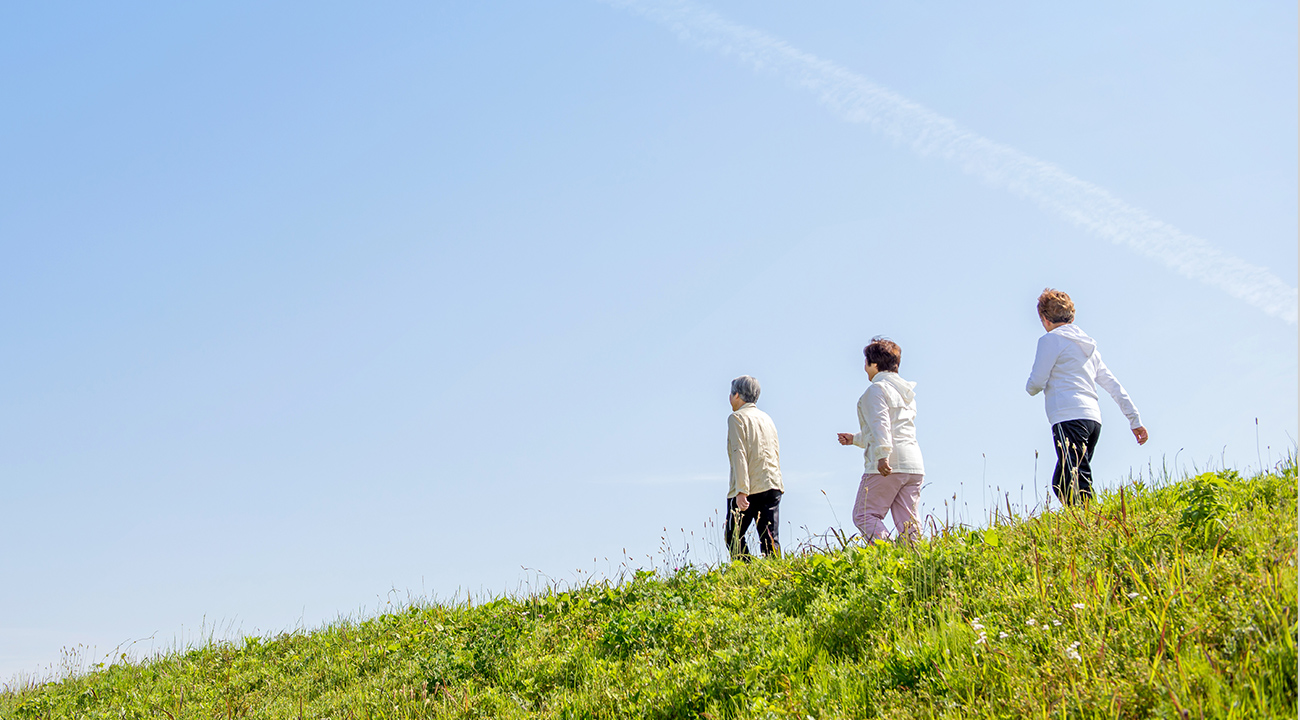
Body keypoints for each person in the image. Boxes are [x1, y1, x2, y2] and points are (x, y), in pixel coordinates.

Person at [1026, 288, 1148, 505]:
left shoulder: (1050, 340)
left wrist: (1030, 388)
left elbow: (1036, 382)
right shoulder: (1089, 347)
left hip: (1067, 417)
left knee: (1076, 479)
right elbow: (1113, 385)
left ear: (1044, 319)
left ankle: (1093, 522)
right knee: (1062, 483)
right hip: (1093, 420)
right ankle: (1078, 523)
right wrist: (1134, 420)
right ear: (1072, 317)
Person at [837, 338, 925, 544]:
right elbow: (894, 428)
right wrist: (855, 440)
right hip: (913, 464)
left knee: (864, 515)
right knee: (908, 522)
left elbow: (881, 425)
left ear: (874, 364)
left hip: (888, 464)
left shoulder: (876, 390)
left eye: (866, 362)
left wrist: (882, 455)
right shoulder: (907, 394)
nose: (865, 368)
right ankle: (916, 561)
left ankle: (887, 554)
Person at [725, 375, 784, 559]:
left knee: (732, 536)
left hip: (749, 486)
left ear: (736, 395)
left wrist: (742, 491)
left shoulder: (737, 418)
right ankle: (776, 575)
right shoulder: (767, 418)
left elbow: (739, 453)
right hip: (772, 484)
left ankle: (746, 571)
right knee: (770, 539)